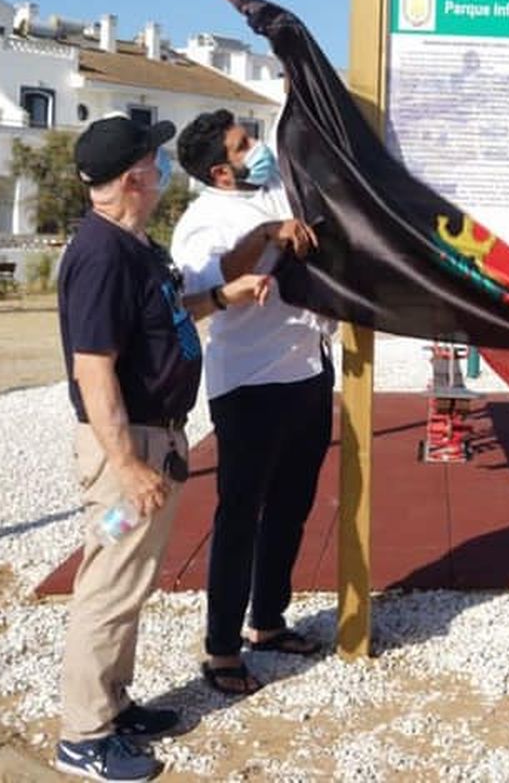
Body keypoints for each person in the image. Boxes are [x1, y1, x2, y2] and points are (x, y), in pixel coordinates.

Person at [55, 115, 314, 781]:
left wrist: (224, 294)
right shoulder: (101, 256)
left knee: (125, 576)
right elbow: (94, 369)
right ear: (134, 176)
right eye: (153, 159)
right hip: (130, 451)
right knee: (109, 583)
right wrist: (129, 465)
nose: (161, 167)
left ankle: (115, 703)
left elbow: (174, 310)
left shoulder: (134, 247)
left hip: (156, 437)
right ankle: (83, 736)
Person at [172, 109, 338, 697]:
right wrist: (267, 235)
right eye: (246, 146)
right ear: (220, 171)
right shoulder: (201, 222)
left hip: (310, 369)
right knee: (240, 516)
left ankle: (268, 621)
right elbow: (204, 287)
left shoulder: (274, 187)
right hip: (249, 385)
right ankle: (221, 649)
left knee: (293, 506)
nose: (258, 148)